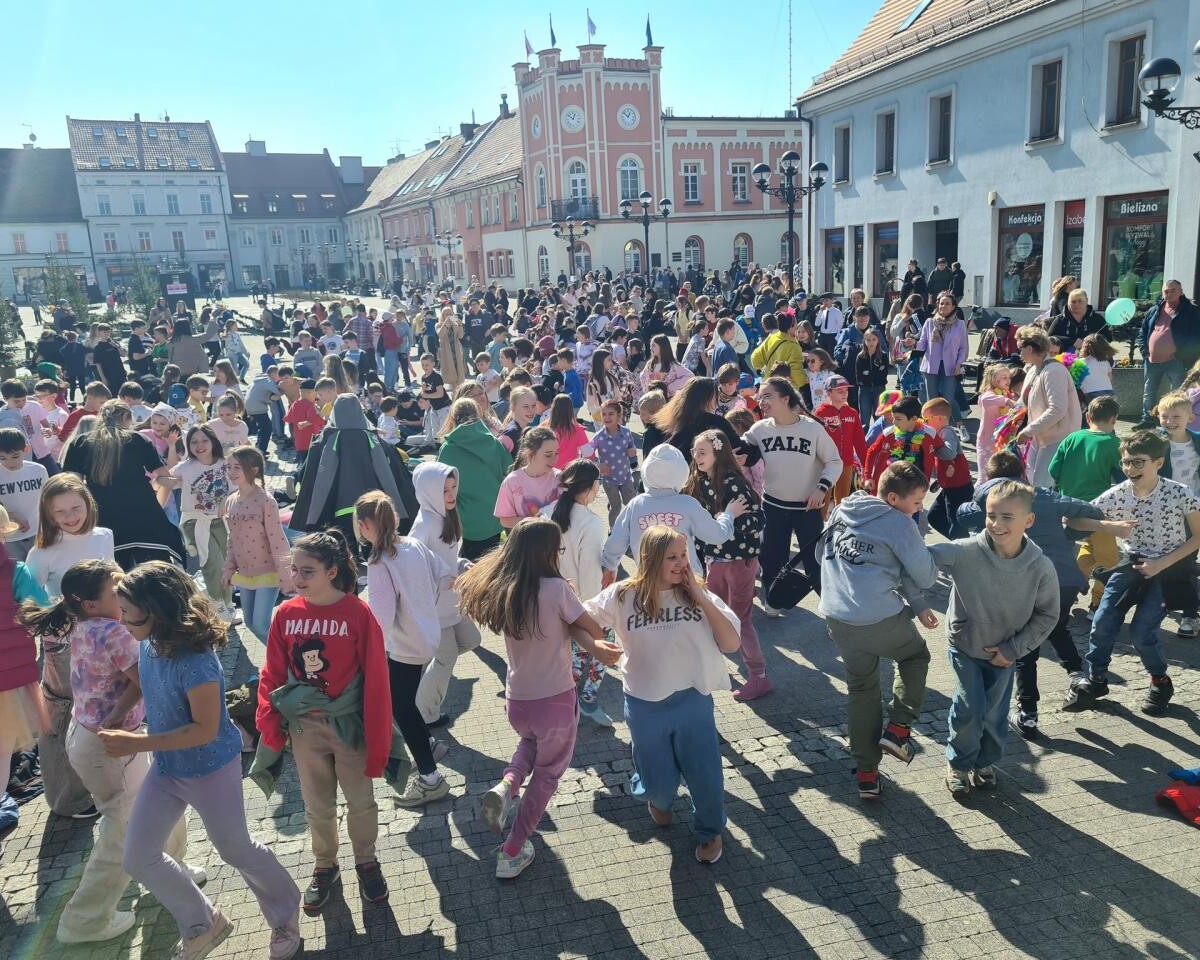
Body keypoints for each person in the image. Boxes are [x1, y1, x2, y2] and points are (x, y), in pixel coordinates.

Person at [97, 562, 301, 958]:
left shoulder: (196, 662)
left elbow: (204, 730)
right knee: (138, 858)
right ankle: (202, 923)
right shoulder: (149, 640)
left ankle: (284, 913)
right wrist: (120, 711)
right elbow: (144, 680)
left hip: (210, 770)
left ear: (156, 611)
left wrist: (135, 743)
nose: (120, 620)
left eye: (127, 613)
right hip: (168, 769)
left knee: (235, 849)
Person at [20, 560, 202, 945]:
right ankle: (85, 920)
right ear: (90, 603)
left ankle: (171, 870)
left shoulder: (83, 624)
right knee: (123, 830)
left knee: (162, 799)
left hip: (91, 739)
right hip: (114, 745)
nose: (123, 589)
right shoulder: (115, 631)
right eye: (115, 586)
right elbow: (146, 680)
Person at [457, 518, 618, 879]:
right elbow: (592, 628)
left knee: (530, 745)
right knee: (546, 776)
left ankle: (507, 785)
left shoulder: (507, 589)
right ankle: (512, 850)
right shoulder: (557, 589)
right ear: (547, 553)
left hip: (519, 701)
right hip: (555, 700)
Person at [586, 525, 740, 862]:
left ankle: (710, 831)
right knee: (657, 782)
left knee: (704, 772)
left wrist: (701, 597)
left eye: (684, 555)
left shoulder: (697, 593)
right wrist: (593, 644)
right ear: (649, 558)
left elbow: (731, 643)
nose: (681, 563)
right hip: (644, 703)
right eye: (672, 557)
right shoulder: (623, 594)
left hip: (692, 698)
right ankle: (659, 798)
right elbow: (578, 618)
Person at [957, 449, 1129, 739]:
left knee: (1025, 646)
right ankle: (1078, 677)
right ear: (1022, 473)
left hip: (1024, 583)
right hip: (1064, 579)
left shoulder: (989, 499)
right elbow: (1089, 510)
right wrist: (1069, 535)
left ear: (989, 476)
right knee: (1056, 627)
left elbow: (963, 517)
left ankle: (1028, 714)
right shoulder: (1045, 496)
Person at [929, 481, 1058, 798]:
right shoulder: (963, 551)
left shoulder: (1041, 567)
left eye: (1007, 517)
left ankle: (985, 762)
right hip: (965, 646)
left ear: (1028, 520)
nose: (997, 524)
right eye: (991, 515)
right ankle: (959, 764)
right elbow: (919, 558)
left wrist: (1013, 649)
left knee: (993, 714)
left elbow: (1047, 615)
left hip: (1004, 654)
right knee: (970, 708)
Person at [817, 464, 939, 799]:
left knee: (861, 689)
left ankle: (867, 774)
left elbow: (819, 553)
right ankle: (898, 728)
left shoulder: (844, 507)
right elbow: (927, 575)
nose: (919, 509)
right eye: (917, 502)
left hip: (836, 615)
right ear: (894, 498)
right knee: (915, 656)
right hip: (878, 617)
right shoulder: (899, 522)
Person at [1066, 431, 1200, 716]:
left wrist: (1161, 564)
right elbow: (1075, 520)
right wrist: (1108, 527)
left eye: (1138, 462)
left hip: (1169, 570)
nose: (1130, 468)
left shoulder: (1179, 493)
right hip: (1132, 564)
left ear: (1158, 462)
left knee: (1141, 632)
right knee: (1102, 622)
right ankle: (1096, 681)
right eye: (1126, 462)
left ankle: (1160, 682)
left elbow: (1198, 537)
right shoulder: (1118, 494)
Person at [354, 493, 452, 809]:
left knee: (401, 709)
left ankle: (430, 778)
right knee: (405, 703)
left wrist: (365, 650)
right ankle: (429, 745)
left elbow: (381, 618)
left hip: (404, 646)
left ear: (363, 525)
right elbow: (445, 576)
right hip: (427, 636)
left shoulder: (380, 562)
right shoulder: (413, 545)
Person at [743, 377, 843, 616]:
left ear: (785, 399)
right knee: (771, 558)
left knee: (815, 562)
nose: (761, 401)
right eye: (760, 396)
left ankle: (833, 610)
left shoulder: (812, 428)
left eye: (767, 396)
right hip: (773, 505)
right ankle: (773, 599)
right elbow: (739, 449)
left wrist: (822, 488)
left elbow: (834, 461)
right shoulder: (759, 429)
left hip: (806, 508)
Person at [684, 429, 768, 701]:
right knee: (716, 616)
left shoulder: (733, 483)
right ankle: (712, 668)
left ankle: (759, 676)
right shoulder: (699, 480)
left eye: (702, 452)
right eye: (695, 452)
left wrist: (730, 519)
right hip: (715, 561)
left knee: (740, 619)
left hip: (740, 561)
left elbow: (758, 520)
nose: (697, 457)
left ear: (718, 453)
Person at [62, 401, 184, 570]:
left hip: (104, 519)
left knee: (114, 575)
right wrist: (159, 504)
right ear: (126, 417)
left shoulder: (80, 442)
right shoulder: (138, 439)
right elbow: (164, 477)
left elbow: (71, 484)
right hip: (145, 518)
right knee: (155, 574)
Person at [602, 443, 746, 582]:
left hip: (649, 582)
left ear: (646, 471)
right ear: (681, 473)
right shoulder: (687, 504)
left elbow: (615, 542)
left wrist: (610, 567)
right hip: (686, 582)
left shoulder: (635, 505)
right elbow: (716, 535)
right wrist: (728, 515)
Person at [407, 463, 483, 727]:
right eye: (444, 490)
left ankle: (421, 675)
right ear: (428, 491)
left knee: (472, 640)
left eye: (453, 487)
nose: (451, 495)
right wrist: (443, 581)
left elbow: (446, 558)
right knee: (446, 657)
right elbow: (414, 568)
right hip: (434, 608)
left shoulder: (445, 515)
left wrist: (462, 565)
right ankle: (425, 712)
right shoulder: (424, 525)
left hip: (452, 603)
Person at [543, 460, 613, 726]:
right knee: (606, 643)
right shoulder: (591, 523)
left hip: (550, 598)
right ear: (593, 486)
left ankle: (566, 699)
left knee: (575, 651)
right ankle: (587, 698)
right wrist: (591, 612)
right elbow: (590, 574)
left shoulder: (547, 512)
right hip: (579, 602)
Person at [1049, 396, 1123, 614]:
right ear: (1114, 419)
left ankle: (1071, 589)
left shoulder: (1072, 437)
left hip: (1068, 507)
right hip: (1098, 511)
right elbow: (1123, 478)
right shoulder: (1113, 443)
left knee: (1089, 549)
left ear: (1088, 417)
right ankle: (1097, 604)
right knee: (1109, 559)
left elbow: (1053, 470)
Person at [221, 446, 292, 645]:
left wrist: (286, 574)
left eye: (237, 467)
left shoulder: (266, 501)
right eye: (229, 467)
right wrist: (228, 569)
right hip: (245, 573)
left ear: (253, 470)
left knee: (261, 624)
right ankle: (280, 658)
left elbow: (278, 539)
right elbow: (232, 540)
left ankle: (287, 659)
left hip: (268, 572)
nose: (231, 472)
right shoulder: (231, 501)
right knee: (251, 624)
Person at [171, 425, 235, 623]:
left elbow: (236, 489)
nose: (199, 445)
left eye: (204, 440)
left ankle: (228, 604)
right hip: (196, 522)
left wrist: (226, 501)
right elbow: (166, 478)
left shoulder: (225, 463)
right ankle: (217, 606)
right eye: (194, 442)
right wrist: (171, 446)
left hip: (222, 521)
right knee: (212, 563)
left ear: (213, 441)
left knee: (227, 563)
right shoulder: (186, 467)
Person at [435, 399, 510, 559]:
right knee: (490, 562)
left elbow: (438, 482)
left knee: (472, 566)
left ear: (453, 418)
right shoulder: (493, 442)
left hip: (468, 519)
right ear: (478, 414)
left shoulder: (447, 449)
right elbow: (509, 471)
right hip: (495, 514)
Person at [1015, 326, 1081, 488]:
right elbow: (1026, 401)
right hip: (1040, 436)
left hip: (1057, 438)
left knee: (1041, 485)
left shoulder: (1054, 371)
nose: (1019, 353)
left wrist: (1028, 430)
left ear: (1029, 349)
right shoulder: (1033, 369)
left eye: (1020, 348)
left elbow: (1057, 409)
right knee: (1032, 480)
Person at [1137, 280, 1200, 427]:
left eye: (1173, 290)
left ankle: (1173, 423)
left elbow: (1196, 336)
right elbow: (1143, 332)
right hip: (1151, 361)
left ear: (1181, 292)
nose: (1169, 294)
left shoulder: (1191, 311)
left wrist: (1182, 355)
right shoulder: (1154, 310)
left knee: (1177, 394)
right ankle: (1147, 420)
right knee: (1149, 392)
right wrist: (1145, 352)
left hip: (1176, 361)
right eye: (1166, 291)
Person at [922, 397, 974, 540]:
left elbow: (950, 453)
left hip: (959, 487)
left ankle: (960, 546)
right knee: (934, 516)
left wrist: (932, 446)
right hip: (950, 486)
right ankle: (960, 543)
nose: (924, 423)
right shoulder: (940, 433)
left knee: (956, 526)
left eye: (926, 420)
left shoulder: (947, 432)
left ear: (939, 419)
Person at [915, 293, 969, 430]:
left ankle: (957, 426)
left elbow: (963, 348)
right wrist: (912, 343)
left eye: (947, 303)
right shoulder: (929, 322)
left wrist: (959, 364)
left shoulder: (960, 324)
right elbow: (922, 344)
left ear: (953, 306)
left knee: (947, 400)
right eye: (941, 303)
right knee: (932, 401)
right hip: (930, 367)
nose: (943, 306)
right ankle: (933, 430)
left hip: (950, 367)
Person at [813, 375, 866, 509]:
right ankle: (822, 520)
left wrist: (865, 465)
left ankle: (839, 520)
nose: (844, 394)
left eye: (846, 390)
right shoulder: (820, 413)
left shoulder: (852, 413)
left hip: (846, 463)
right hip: (826, 463)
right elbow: (814, 440)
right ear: (829, 393)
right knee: (822, 500)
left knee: (843, 501)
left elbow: (859, 441)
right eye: (839, 391)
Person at [494, 426, 561, 529]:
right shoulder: (512, 481)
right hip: (526, 539)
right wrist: (538, 521)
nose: (554, 459)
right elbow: (505, 520)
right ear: (530, 453)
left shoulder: (559, 478)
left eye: (556, 453)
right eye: (548, 455)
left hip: (555, 538)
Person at [0, 429, 47, 562]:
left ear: (26, 449)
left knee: (39, 570)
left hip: (38, 533)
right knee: (16, 572)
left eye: (15, 456)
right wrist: (10, 515)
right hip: (7, 537)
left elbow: (48, 500)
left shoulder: (38, 470)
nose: (9, 462)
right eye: (2, 458)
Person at [592, 399, 638, 528]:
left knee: (630, 503)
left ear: (619, 415)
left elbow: (632, 447)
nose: (607, 417)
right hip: (609, 479)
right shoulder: (599, 437)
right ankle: (612, 530)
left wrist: (633, 455)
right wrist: (597, 465)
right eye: (604, 414)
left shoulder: (626, 432)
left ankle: (632, 527)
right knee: (616, 506)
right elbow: (587, 454)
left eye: (611, 414)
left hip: (625, 476)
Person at [976, 364, 1015, 481]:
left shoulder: (1004, 393)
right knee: (984, 477)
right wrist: (1006, 401)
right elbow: (985, 399)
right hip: (986, 441)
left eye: (1009, 377)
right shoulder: (989, 394)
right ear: (994, 380)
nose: (1008, 380)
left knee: (996, 475)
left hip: (999, 439)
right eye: (1004, 377)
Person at [750, 311, 807, 388]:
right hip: (784, 388)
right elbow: (795, 371)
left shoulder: (772, 337)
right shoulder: (794, 347)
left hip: (767, 384)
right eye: (796, 324)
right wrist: (804, 382)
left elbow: (755, 360)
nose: (796, 327)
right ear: (791, 327)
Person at [1046, 288, 1107, 353]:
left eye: (1080, 301)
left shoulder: (1097, 319)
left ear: (1086, 301)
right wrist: (1072, 341)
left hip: (1091, 356)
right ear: (1068, 303)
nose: (1076, 304)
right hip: (1064, 356)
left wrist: (1087, 342)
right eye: (1073, 301)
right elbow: (1050, 338)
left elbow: (1107, 339)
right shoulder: (1060, 319)